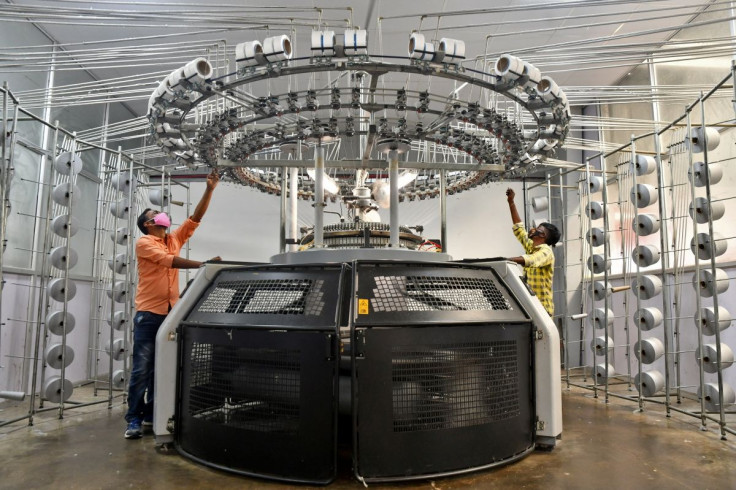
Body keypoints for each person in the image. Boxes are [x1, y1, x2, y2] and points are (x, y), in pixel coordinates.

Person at [124, 170, 221, 439]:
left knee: (162, 366)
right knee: (142, 369)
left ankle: (152, 415)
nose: (162, 216)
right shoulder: (145, 242)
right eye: (155, 215)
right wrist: (203, 265)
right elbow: (170, 261)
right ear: (148, 224)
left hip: (170, 313)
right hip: (149, 314)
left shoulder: (173, 239)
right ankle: (132, 418)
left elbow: (195, 219)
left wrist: (209, 189)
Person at [505, 188, 560, 317]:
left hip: (542, 310)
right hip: (531, 307)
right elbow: (519, 228)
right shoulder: (531, 246)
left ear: (542, 236)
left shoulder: (546, 252)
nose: (533, 229)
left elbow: (531, 260)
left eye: (538, 229)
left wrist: (507, 260)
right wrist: (511, 202)